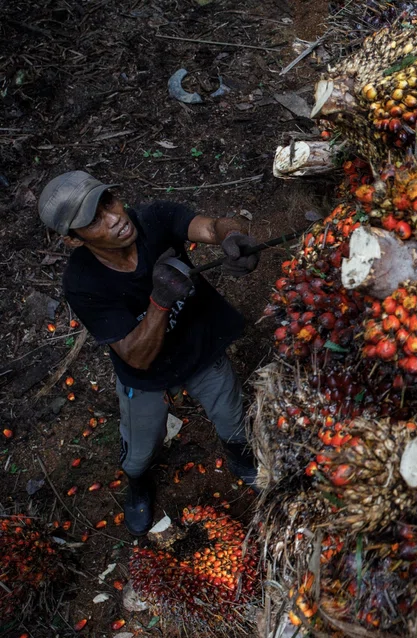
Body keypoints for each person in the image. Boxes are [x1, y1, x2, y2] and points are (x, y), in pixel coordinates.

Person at [38, 170, 261, 536]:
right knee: (140, 450)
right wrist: (159, 300)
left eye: (108, 201)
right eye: (93, 221)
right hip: (145, 375)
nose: (115, 219)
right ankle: (139, 484)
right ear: (74, 240)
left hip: (198, 346)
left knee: (231, 416)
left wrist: (233, 237)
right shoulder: (83, 283)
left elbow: (211, 227)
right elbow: (136, 357)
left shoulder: (152, 219)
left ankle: (241, 459)